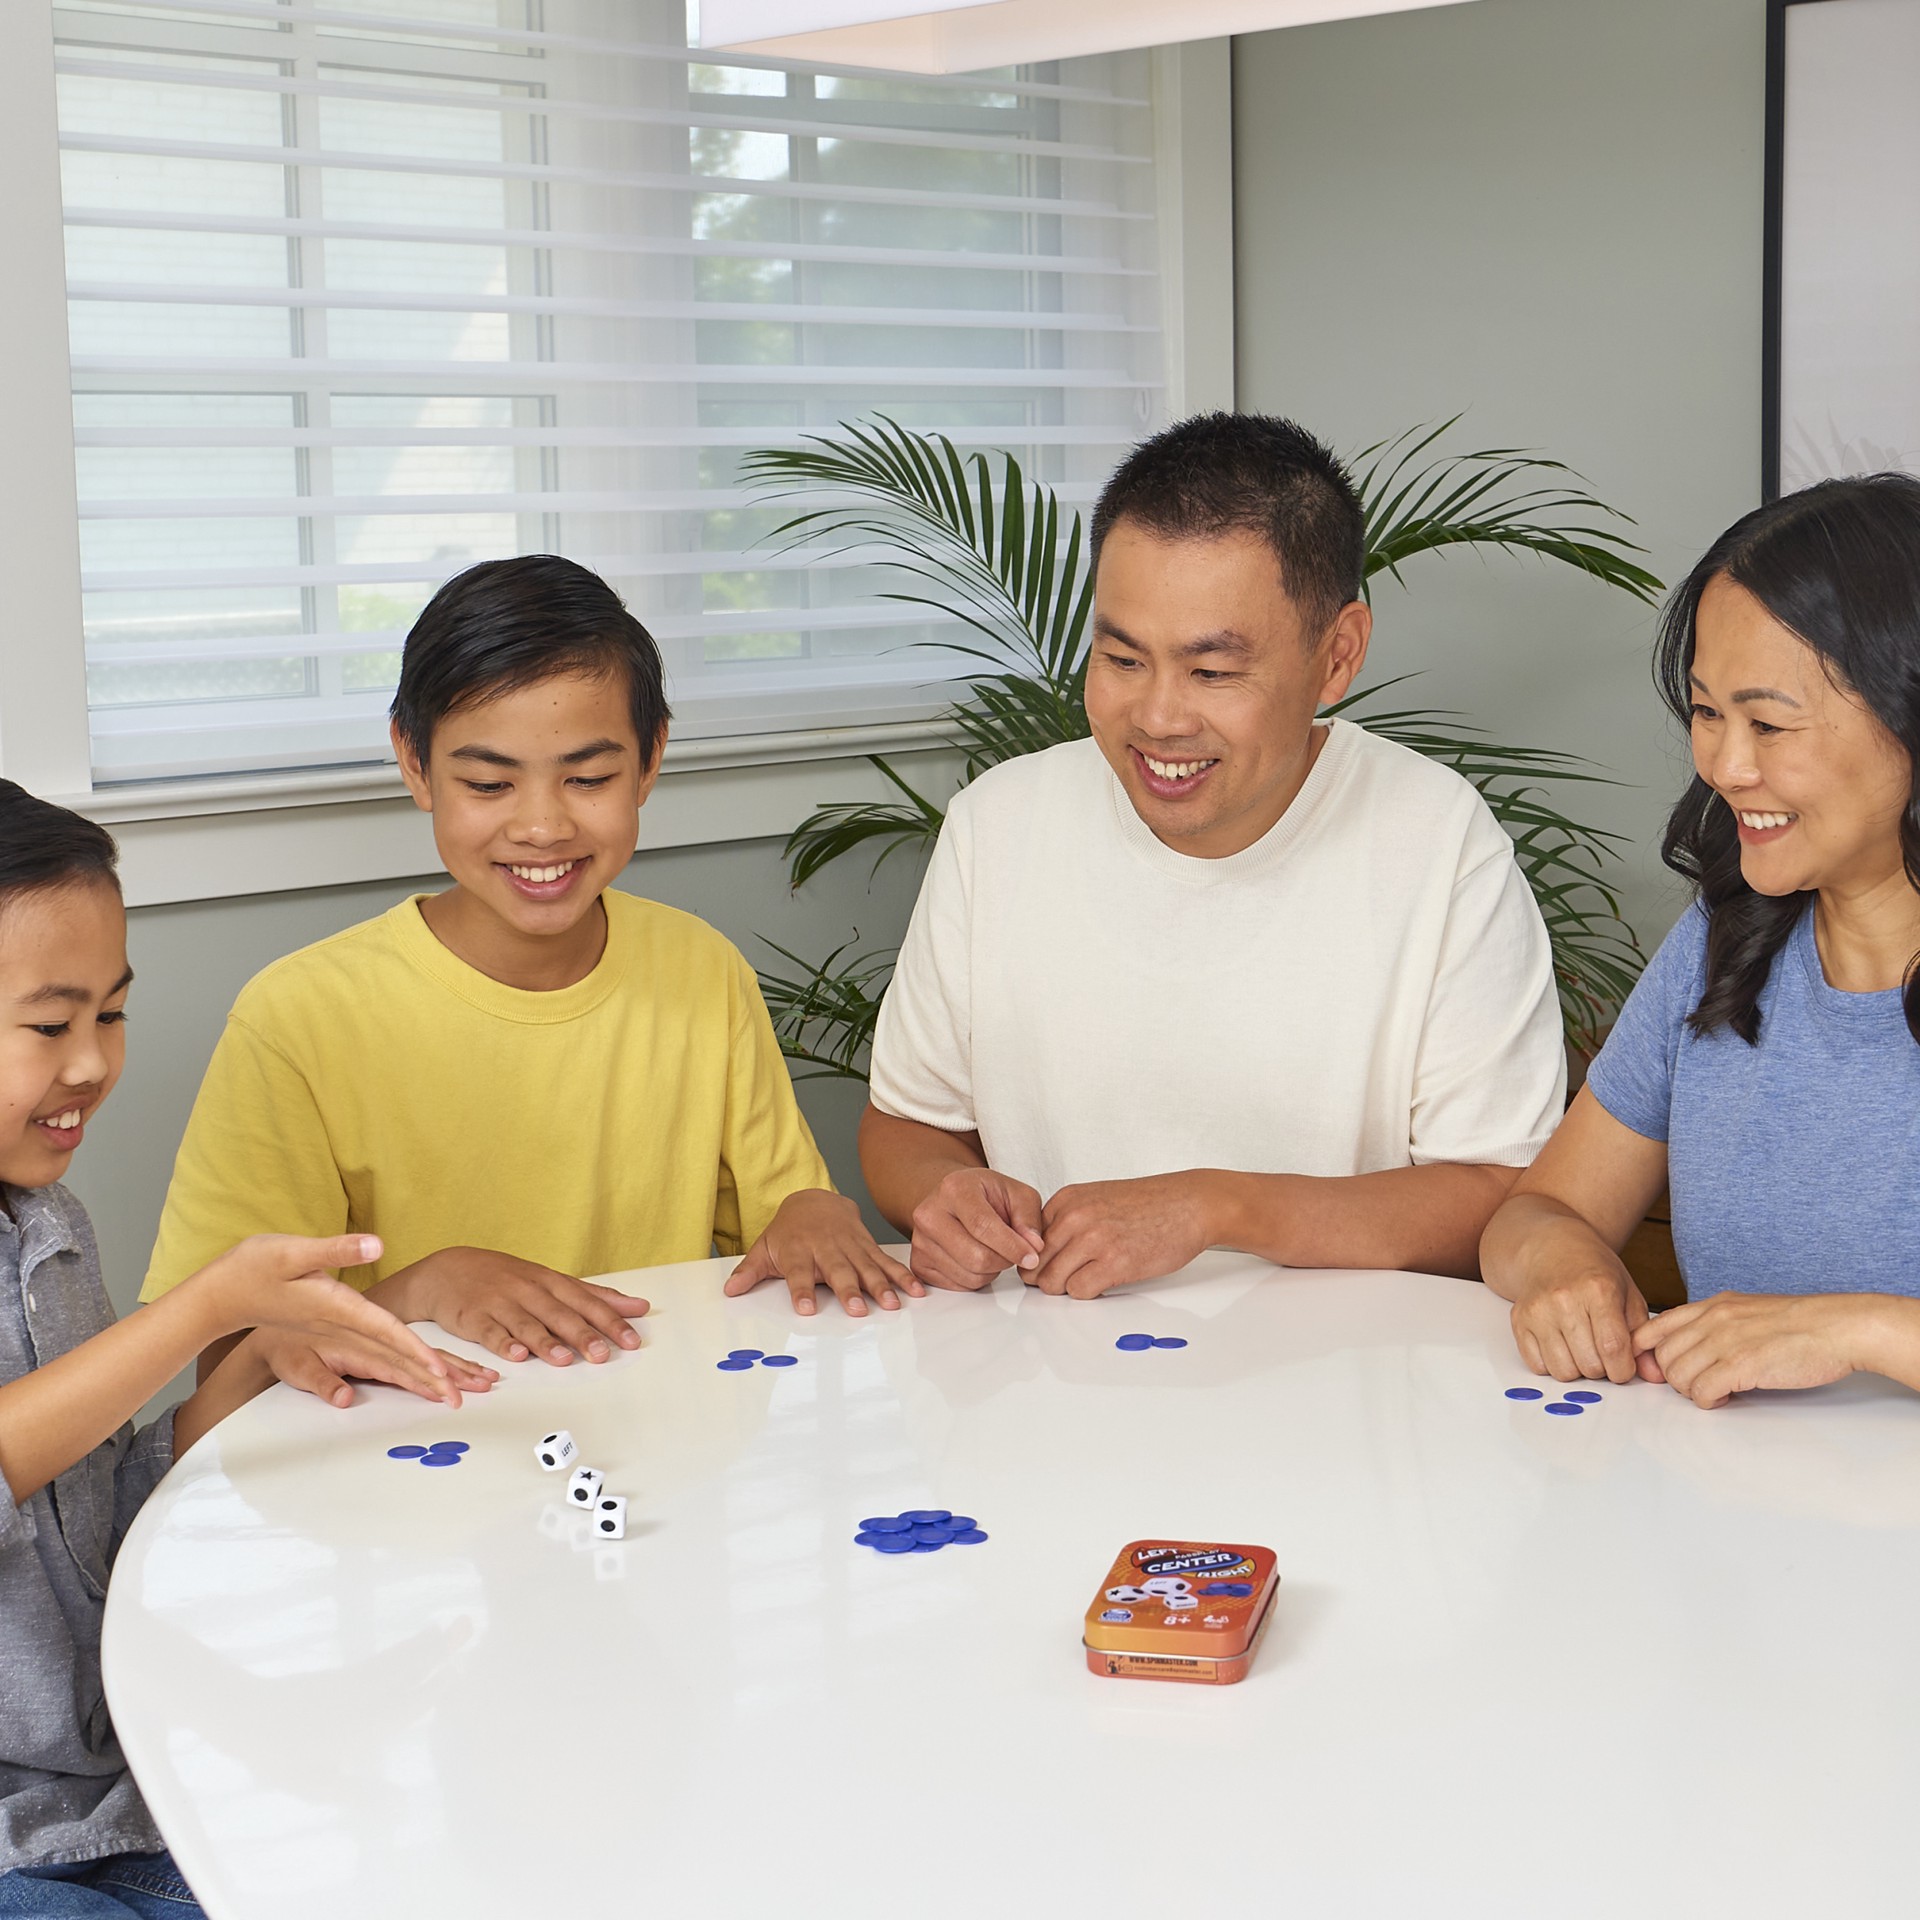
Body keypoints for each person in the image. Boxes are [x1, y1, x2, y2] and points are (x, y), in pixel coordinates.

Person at [143, 556, 914, 1391]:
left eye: (588, 778)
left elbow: (782, 1225)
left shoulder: (701, 970)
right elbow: (228, 1368)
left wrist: (811, 1212)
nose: (543, 826)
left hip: (666, 1451)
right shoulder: (299, 1017)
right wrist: (421, 1288)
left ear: (651, 758)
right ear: (413, 761)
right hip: (417, 1460)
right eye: (487, 783)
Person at [861, 412, 1567, 1297]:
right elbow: (905, 1127)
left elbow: (1497, 1192)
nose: (1158, 719)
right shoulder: (998, 824)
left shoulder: (1439, 843)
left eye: (1213, 673)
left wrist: (1213, 1210)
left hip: (1343, 1386)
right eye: (1121, 658)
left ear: (1337, 653)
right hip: (1050, 1371)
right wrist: (945, 1195)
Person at [0, 780, 461, 1917]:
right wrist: (203, 1308)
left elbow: (96, 1508)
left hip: (112, 1796)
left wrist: (254, 1351)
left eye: (110, 1013)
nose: (94, 1063)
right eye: (50, 1024)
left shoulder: (47, 1231)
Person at [1482, 474, 1920, 1409]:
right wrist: (1564, 1265)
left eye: (1768, 722)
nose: (1724, 765)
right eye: (1708, 713)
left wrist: (1859, 1328)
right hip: (1729, 1527)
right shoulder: (1723, 942)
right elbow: (1534, 1213)